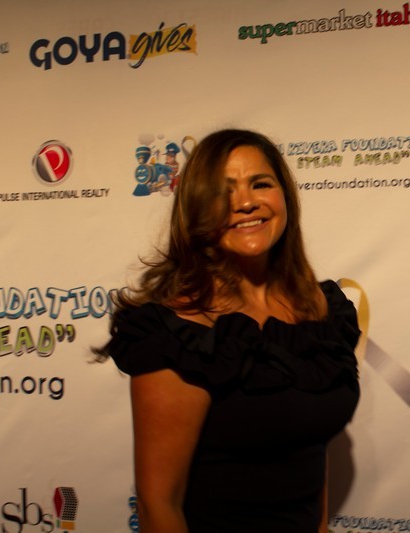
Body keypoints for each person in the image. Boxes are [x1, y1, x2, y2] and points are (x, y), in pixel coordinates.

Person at [97, 129, 361, 532]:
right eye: (223, 191)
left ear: (284, 196)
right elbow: (158, 506)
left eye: (261, 183)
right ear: (197, 209)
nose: (245, 202)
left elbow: (311, 447)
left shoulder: (321, 307)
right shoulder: (179, 334)